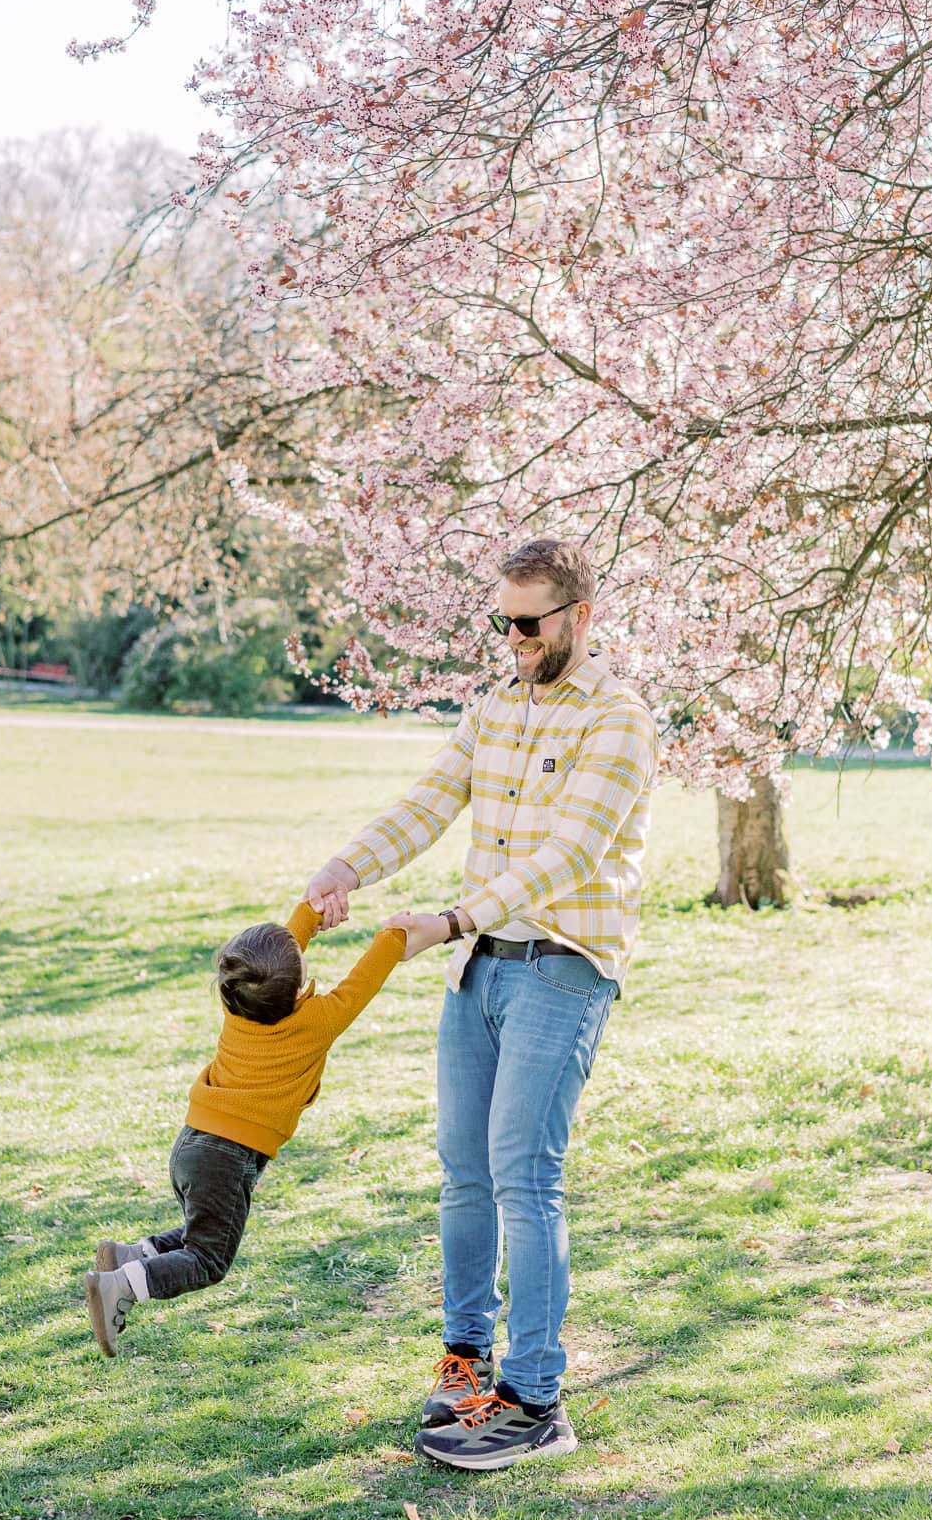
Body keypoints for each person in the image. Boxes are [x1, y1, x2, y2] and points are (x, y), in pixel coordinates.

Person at [305, 537, 659, 1470]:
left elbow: (570, 854)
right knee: (463, 1172)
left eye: (529, 621)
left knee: (522, 1175)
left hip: (562, 966)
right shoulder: (499, 706)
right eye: (503, 619)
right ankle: (467, 1362)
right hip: (480, 971)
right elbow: (431, 801)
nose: (513, 637)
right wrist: (348, 866)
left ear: (579, 618)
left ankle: (537, 1398)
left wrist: (452, 915)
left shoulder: (617, 719)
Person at [83, 901, 416, 1356]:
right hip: (227, 1156)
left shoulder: (237, 1007)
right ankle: (121, 1284)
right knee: (209, 1258)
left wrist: (311, 912)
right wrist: (395, 934)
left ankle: (132, 1256)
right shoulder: (316, 1023)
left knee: (205, 1231)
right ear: (299, 990)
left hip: (192, 1143)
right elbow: (361, 984)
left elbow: (270, 962)